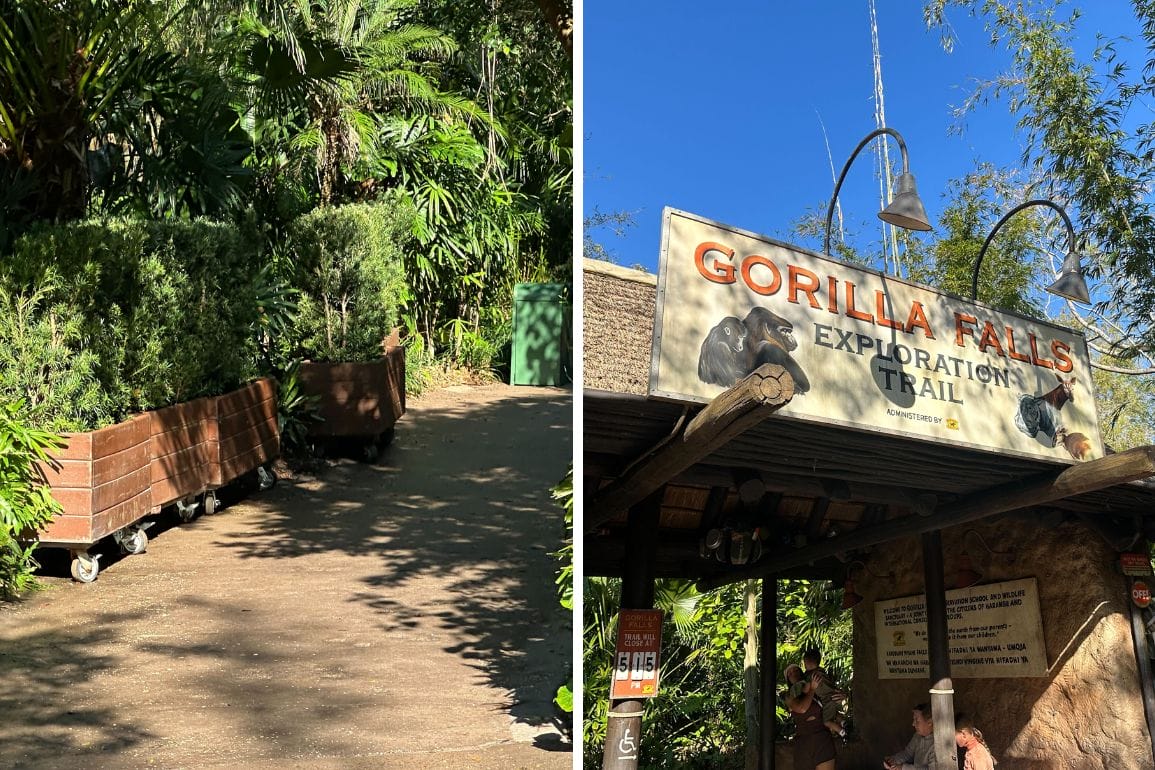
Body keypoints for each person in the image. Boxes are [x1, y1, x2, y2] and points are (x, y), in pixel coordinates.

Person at [783, 664, 837, 770]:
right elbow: (802, 709)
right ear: (788, 680)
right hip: (804, 742)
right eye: (790, 673)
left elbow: (830, 706)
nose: (793, 673)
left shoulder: (817, 690)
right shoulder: (789, 696)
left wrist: (841, 697)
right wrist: (811, 689)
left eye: (796, 670)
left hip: (822, 739)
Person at [802, 647, 850, 740]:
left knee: (826, 721)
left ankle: (843, 733)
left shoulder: (810, 676)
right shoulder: (822, 672)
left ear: (806, 663)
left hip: (827, 700)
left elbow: (805, 690)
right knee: (833, 714)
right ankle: (844, 722)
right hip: (834, 697)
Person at [883, 703, 937, 770]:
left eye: (917, 720)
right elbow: (908, 753)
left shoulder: (937, 745)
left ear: (929, 722)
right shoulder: (917, 736)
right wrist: (893, 760)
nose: (913, 724)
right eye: (913, 720)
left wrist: (903, 768)